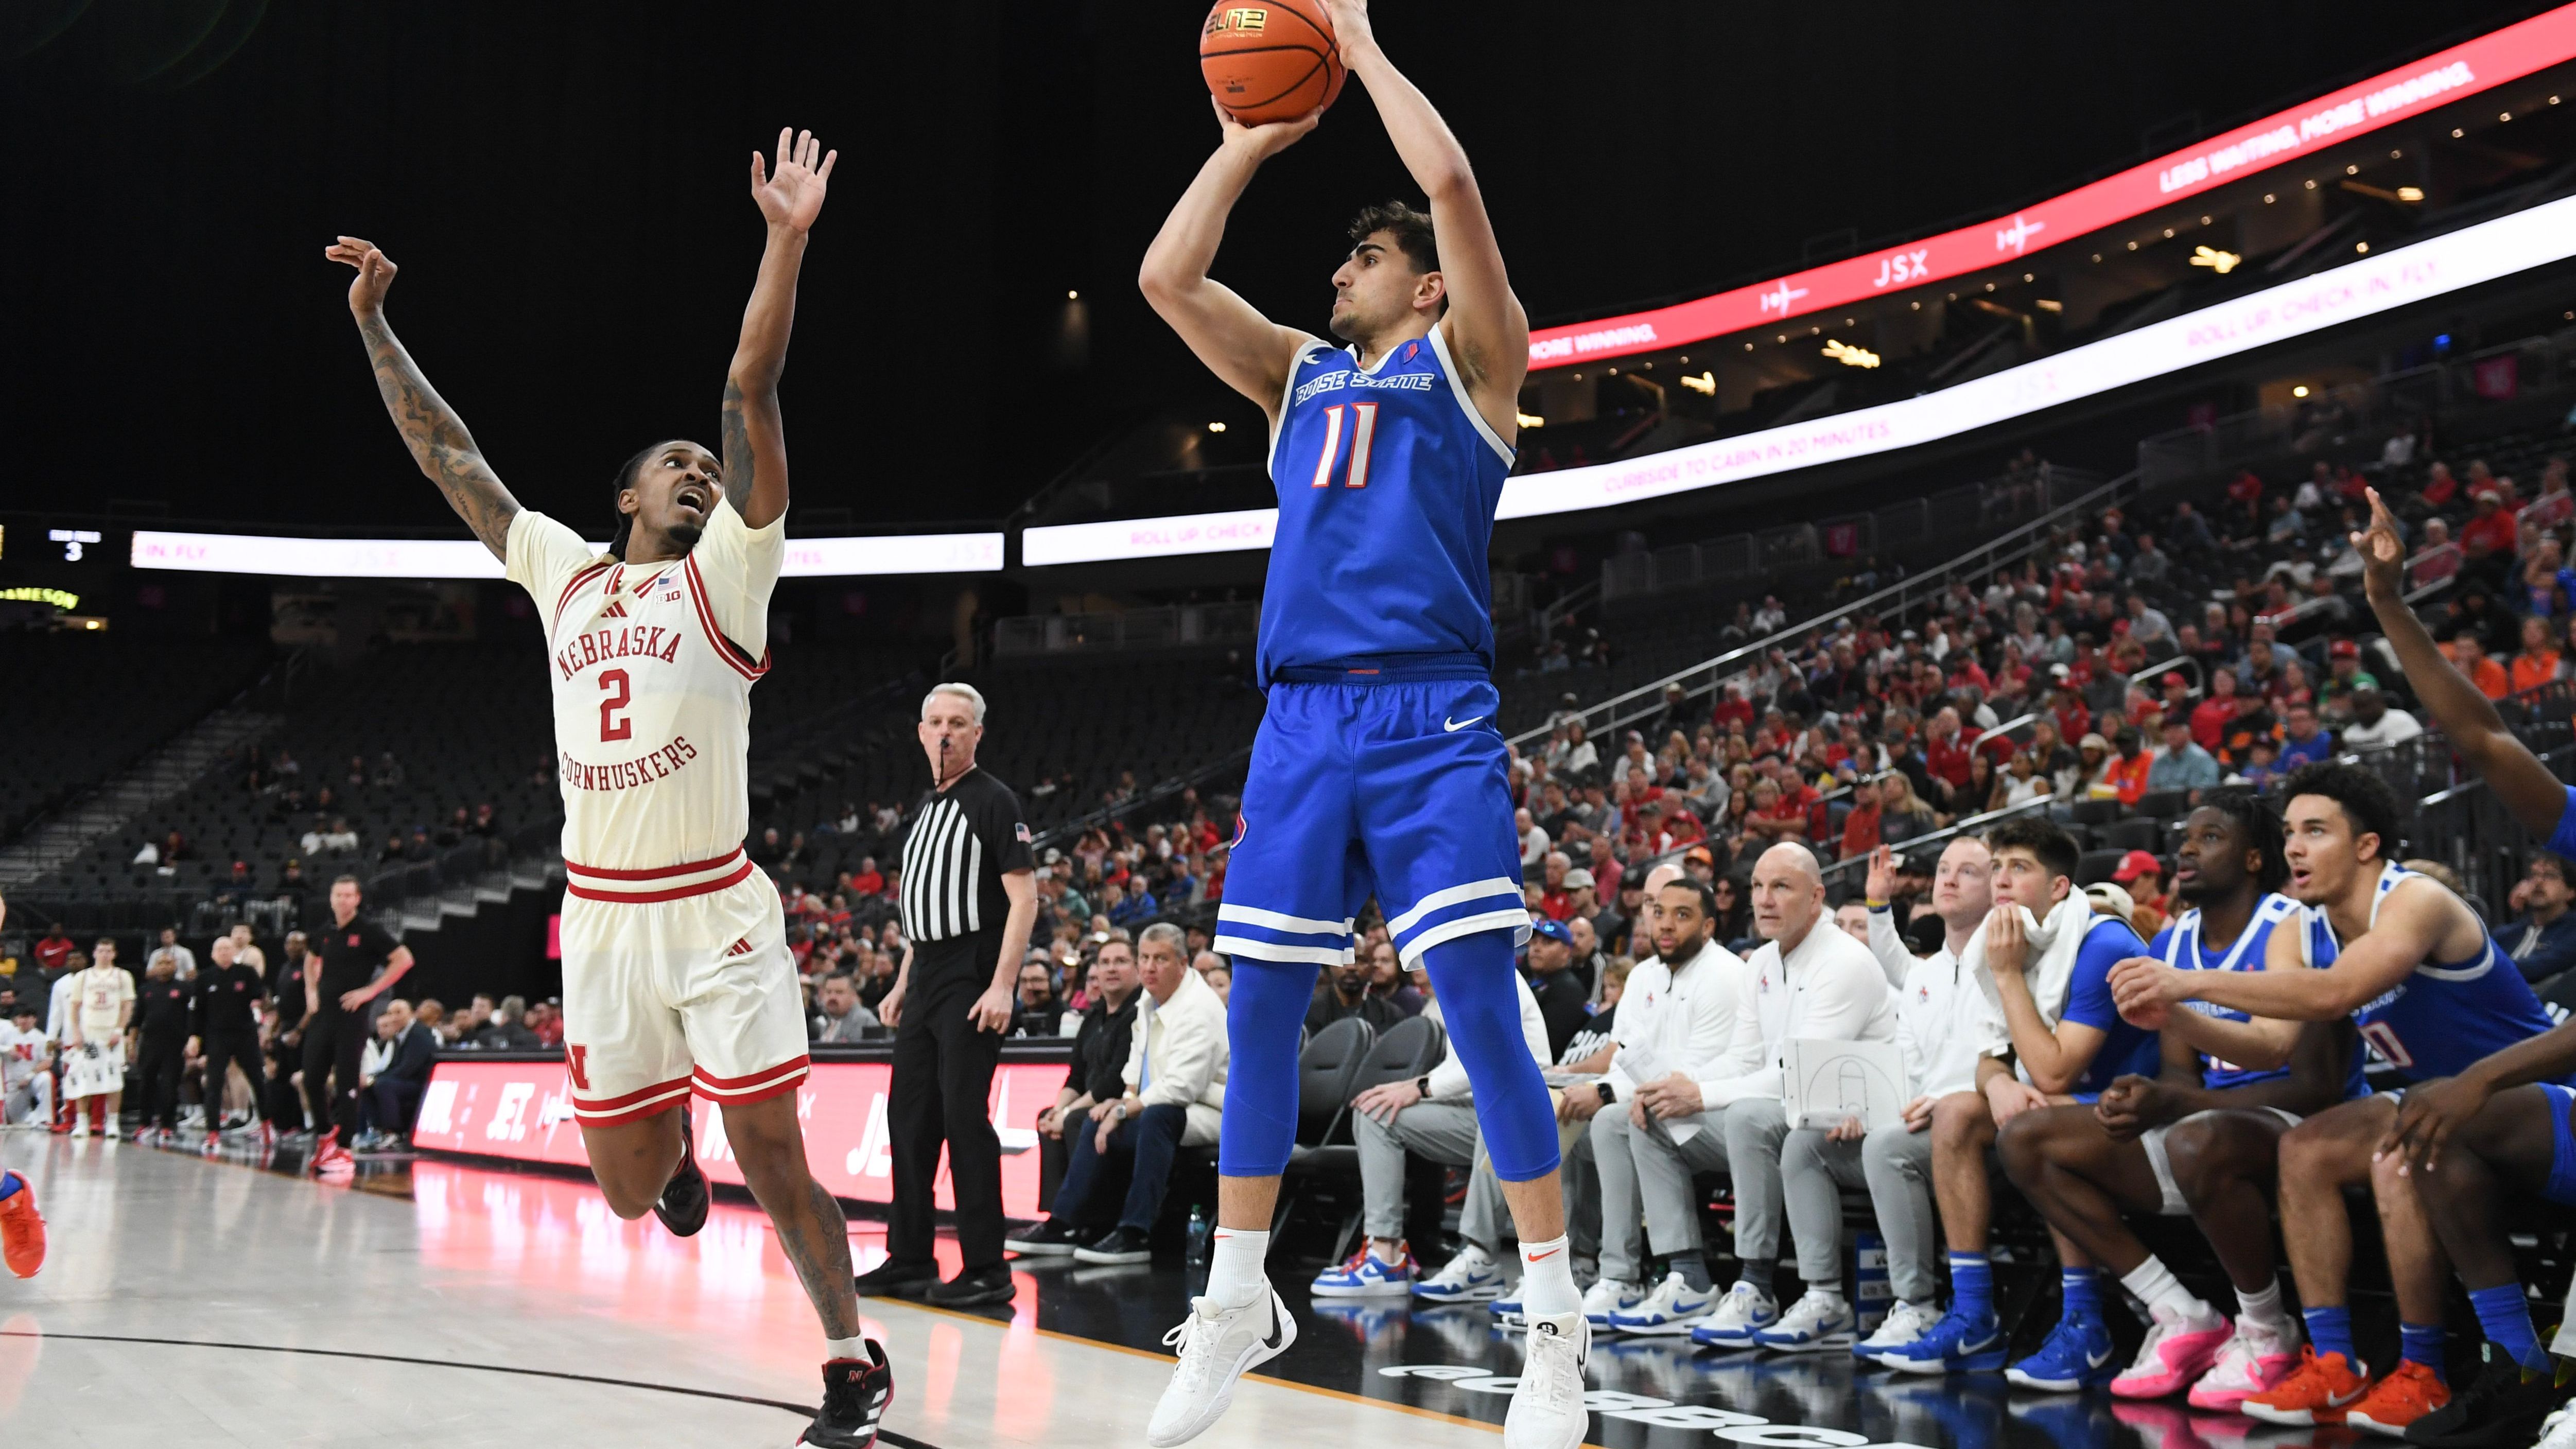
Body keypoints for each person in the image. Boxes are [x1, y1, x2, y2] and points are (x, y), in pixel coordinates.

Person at [327, 129, 890, 1446]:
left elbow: (750, 389)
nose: (698, 472)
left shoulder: (730, 575)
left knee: (776, 1151)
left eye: (706, 468)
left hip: (716, 908)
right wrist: (373, 324)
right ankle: (666, 1158)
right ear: (622, 494)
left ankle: (848, 1361)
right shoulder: (563, 570)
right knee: (634, 1198)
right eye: (673, 465)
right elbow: (449, 456)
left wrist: (786, 237)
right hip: (603, 924)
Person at [1137, 7, 1588, 1443]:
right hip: (1299, 723)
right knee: (1262, 1003)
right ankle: (1232, 1301)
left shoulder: (1474, 364)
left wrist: (1362, 46)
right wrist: (1243, 139)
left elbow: (1451, 194)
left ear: (1421, 289)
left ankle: (1554, 1327)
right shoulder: (1298, 375)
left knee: (1477, 1005)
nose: (1339, 271)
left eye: (1363, 258)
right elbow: (1163, 275)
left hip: (1430, 714)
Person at [2109, 763, 2561, 1437]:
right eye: (2290, 831)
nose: (2294, 846)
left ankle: (2427, 1366)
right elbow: (2270, 1047)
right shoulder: (2331, 927)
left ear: (2366, 845)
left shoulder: (2414, 899)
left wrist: (2185, 980)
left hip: (2535, 1098)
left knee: (2399, 1141)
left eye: (2315, 830)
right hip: (2435, 1108)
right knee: (2307, 1146)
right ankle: (2334, 1358)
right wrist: (2174, 1016)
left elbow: (2331, 994)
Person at [1995, 795, 2355, 1408]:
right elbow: (2180, 1073)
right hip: (2211, 1132)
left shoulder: (2290, 923)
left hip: (2308, 1127)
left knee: (2197, 1135)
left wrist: (2178, 1106)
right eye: (2184, 837)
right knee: (2029, 1138)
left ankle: (2268, 1331)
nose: (2187, 848)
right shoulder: (2174, 938)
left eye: (2210, 837)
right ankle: (2179, 1311)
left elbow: (2314, 1082)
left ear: (2252, 856)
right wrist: (2153, 1096)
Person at [1879, 816, 2157, 1387]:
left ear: (2059, 888)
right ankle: (1973, 1312)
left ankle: (2087, 1323)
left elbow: (2056, 1069)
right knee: (1958, 1111)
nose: (2002, 880)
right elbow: (1992, 1055)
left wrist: (2007, 977)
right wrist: (1998, 1083)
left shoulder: (2100, 940)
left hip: (2137, 1112)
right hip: (2060, 1104)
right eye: (1998, 866)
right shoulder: (2009, 936)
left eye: (2020, 868)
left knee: (2039, 1119)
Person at [1612, 847, 1892, 1350]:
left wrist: (1700, 1093)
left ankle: (1760, 1285)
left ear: (1816, 897)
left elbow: (1797, 1076)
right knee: (1651, 1116)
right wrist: (1677, 1084)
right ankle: (1689, 1279)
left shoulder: (1846, 961)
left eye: (1781, 887)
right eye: (1759, 886)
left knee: (1746, 1116)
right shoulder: (1762, 961)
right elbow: (1742, 1060)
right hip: (1791, 1112)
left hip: (1848, 1118)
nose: (1764, 899)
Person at [862, 682, 1040, 1310]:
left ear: (977, 734)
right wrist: (904, 981)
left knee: (965, 1119)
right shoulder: (925, 806)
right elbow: (922, 911)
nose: (945, 731)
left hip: (973, 969)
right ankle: (910, 1257)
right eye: (935, 721)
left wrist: (1002, 984)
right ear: (919, 731)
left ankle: (987, 1268)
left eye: (958, 723)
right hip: (929, 971)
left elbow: (1025, 898)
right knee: (909, 1120)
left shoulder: (994, 800)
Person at [1813, 839, 2005, 1361]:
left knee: (1886, 1148)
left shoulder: (2008, 957)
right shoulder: (1926, 974)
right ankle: (1818, 1295)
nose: (1949, 878)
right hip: (1932, 1118)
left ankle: (1917, 1303)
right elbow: (1907, 1066)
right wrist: (1868, 1110)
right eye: (1944, 869)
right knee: (1817, 1142)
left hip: (1987, 1121)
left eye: (1968, 871)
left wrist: (1937, 1099)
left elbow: (2007, 1057)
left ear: (1998, 886)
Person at [1304, 933, 1549, 1298]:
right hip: (1476, 1108)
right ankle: (1385, 1252)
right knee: (1377, 1113)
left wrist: (1418, 1088)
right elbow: (1457, 1071)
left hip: (1530, 1114)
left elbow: (1491, 1066)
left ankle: (1480, 1257)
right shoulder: (1441, 998)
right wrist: (1412, 1088)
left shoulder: (1492, 977)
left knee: (1494, 1112)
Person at [1553, 872, 1744, 1330]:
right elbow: (1624, 1057)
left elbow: (1696, 1069)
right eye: (1658, 912)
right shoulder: (1642, 975)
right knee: (1577, 1117)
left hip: (1714, 1109)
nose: (1666, 924)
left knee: (1622, 1118)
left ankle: (1672, 1276)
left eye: (1682, 915)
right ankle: (1595, 1271)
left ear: (1709, 926)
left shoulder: (1725, 974)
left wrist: (1608, 1093)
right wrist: (1612, 1091)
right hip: (1651, 1102)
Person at [1005, 924, 1227, 1265]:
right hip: (1168, 1105)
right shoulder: (1146, 1002)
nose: (1150, 966)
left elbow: (1182, 1087)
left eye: (1161, 959)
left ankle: (1135, 1232)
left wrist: (1124, 1110)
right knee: (1094, 1118)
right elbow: (1134, 1070)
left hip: (1212, 1109)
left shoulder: (1201, 1006)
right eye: (1146, 958)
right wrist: (1120, 1101)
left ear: (1183, 963)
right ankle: (1065, 1222)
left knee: (1155, 1116)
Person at [299, 878, 413, 1171]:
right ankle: (326, 1134)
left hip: (351, 1018)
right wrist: (310, 991)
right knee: (311, 1078)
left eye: (349, 895)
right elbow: (310, 959)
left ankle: (345, 1149)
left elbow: (404, 960)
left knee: (348, 1082)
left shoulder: (369, 930)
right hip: (323, 1016)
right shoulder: (325, 931)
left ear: (358, 899)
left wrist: (370, 991)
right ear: (331, 898)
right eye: (339, 895)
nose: (343, 900)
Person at [1032, 934, 1141, 1209]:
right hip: (1091, 1102)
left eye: (1121, 961)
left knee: (1076, 1120)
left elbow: (1114, 1082)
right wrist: (1058, 1111)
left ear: (1138, 968)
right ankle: (1057, 1213)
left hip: (1123, 1102)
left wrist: (1066, 1115)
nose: (1111, 968)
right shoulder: (1092, 1017)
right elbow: (1076, 1077)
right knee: (1047, 1116)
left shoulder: (1140, 1013)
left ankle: (1081, 1216)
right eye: (1105, 963)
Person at [61, 938, 134, 1139]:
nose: (104, 954)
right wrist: (76, 1032)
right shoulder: (83, 977)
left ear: (114, 954)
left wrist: (120, 1030)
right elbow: (74, 1007)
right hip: (89, 1033)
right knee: (84, 1077)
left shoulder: (122, 976)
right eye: (101, 950)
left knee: (115, 1080)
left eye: (108, 951)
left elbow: (127, 1006)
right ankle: (82, 1122)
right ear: (94, 953)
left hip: (111, 1033)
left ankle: (112, 1123)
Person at [355, 998, 434, 1148]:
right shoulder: (400, 1035)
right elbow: (393, 1066)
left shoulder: (419, 1033)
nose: (395, 1017)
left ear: (411, 1014)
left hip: (422, 1084)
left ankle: (394, 1133)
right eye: (391, 1013)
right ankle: (378, 1130)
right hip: (406, 1081)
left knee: (383, 1085)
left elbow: (408, 1069)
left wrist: (376, 1080)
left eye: (399, 1012)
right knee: (367, 1085)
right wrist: (371, 1079)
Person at [132, 949, 194, 1139]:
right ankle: (145, 1122)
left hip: (174, 1044)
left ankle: (168, 1124)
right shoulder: (146, 990)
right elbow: (136, 1019)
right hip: (150, 1043)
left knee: (170, 1085)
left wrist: (191, 1040)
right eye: (161, 963)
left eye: (168, 963)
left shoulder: (184, 989)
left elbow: (192, 1017)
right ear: (155, 967)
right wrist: (131, 1043)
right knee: (146, 1084)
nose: (164, 966)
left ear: (175, 966)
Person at [1522, 917, 1590, 1059]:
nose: (1537, 948)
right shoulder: (1532, 982)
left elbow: (1548, 1047)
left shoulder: (1567, 990)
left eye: (1547, 943)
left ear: (1566, 952)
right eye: (1534, 942)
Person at [1303, 954, 1405, 1037]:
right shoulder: (1307, 1013)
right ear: (1330, 965)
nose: (1351, 967)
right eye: (1343, 960)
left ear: (1372, 967)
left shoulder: (1392, 1015)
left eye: (1360, 960)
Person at [2, 1002, 53, 1130]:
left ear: (34, 1019)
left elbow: (48, 1061)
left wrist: (30, 1076)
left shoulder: (43, 1038)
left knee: (46, 1078)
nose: (24, 1021)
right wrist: (8, 1050)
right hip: (14, 1083)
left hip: (32, 1079)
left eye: (27, 1017)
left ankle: (45, 1119)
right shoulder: (8, 1034)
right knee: (16, 1120)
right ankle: (32, 1118)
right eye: (21, 1017)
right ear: (16, 1019)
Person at [811, 972, 877, 1044]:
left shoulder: (866, 1021)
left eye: (839, 992)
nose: (832, 997)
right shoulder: (830, 1020)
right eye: (829, 992)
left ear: (853, 995)